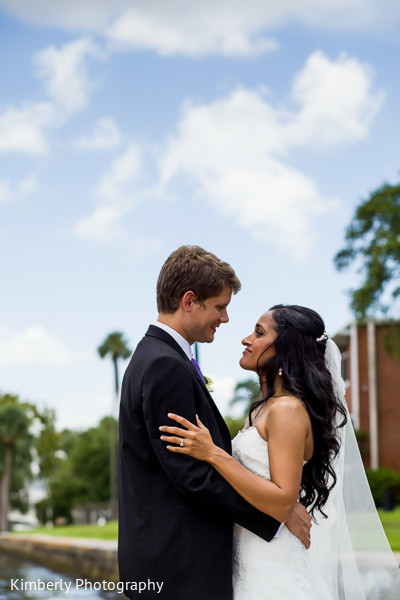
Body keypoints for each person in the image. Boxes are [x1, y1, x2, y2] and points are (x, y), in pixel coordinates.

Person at [160, 305, 400, 599]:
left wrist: (213, 453)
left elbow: (283, 500)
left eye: (259, 332)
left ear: (287, 348)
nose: (246, 339)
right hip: (250, 556)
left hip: (272, 564)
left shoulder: (286, 410)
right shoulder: (263, 409)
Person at [118, 249, 311, 600]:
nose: (225, 318)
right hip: (180, 568)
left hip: (170, 562)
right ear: (189, 300)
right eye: (219, 306)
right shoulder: (165, 364)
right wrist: (275, 515)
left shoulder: (158, 357)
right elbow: (192, 476)